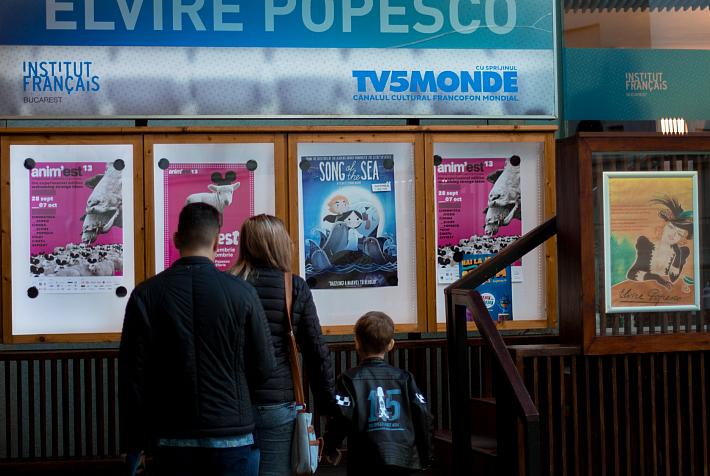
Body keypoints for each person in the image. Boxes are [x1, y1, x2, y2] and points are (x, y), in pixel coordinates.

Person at [119, 203, 275, 476]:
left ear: (176, 239)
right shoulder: (243, 293)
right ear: (217, 241)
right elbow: (265, 366)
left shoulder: (146, 294)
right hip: (232, 432)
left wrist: (134, 443)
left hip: (171, 432)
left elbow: (132, 376)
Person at [230, 214, 336, 476]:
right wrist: (328, 406)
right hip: (277, 402)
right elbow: (316, 351)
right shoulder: (293, 287)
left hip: (232, 401)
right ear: (279, 244)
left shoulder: (229, 285)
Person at [324, 311, 433, 476]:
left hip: (364, 458)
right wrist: (425, 455)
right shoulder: (405, 378)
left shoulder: (349, 379)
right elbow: (423, 414)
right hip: (402, 457)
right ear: (391, 344)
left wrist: (330, 446)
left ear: (357, 342)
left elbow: (341, 416)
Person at [626, 196, 694, 289]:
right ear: (664, 226)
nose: (673, 234)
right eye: (671, 228)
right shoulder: (646, 246)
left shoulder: (682, 252)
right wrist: (656, 278)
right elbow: (631, 274)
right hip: (643, 289)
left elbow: (673, 279)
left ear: (682, 238)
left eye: (679, 233)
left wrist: (678, 255)